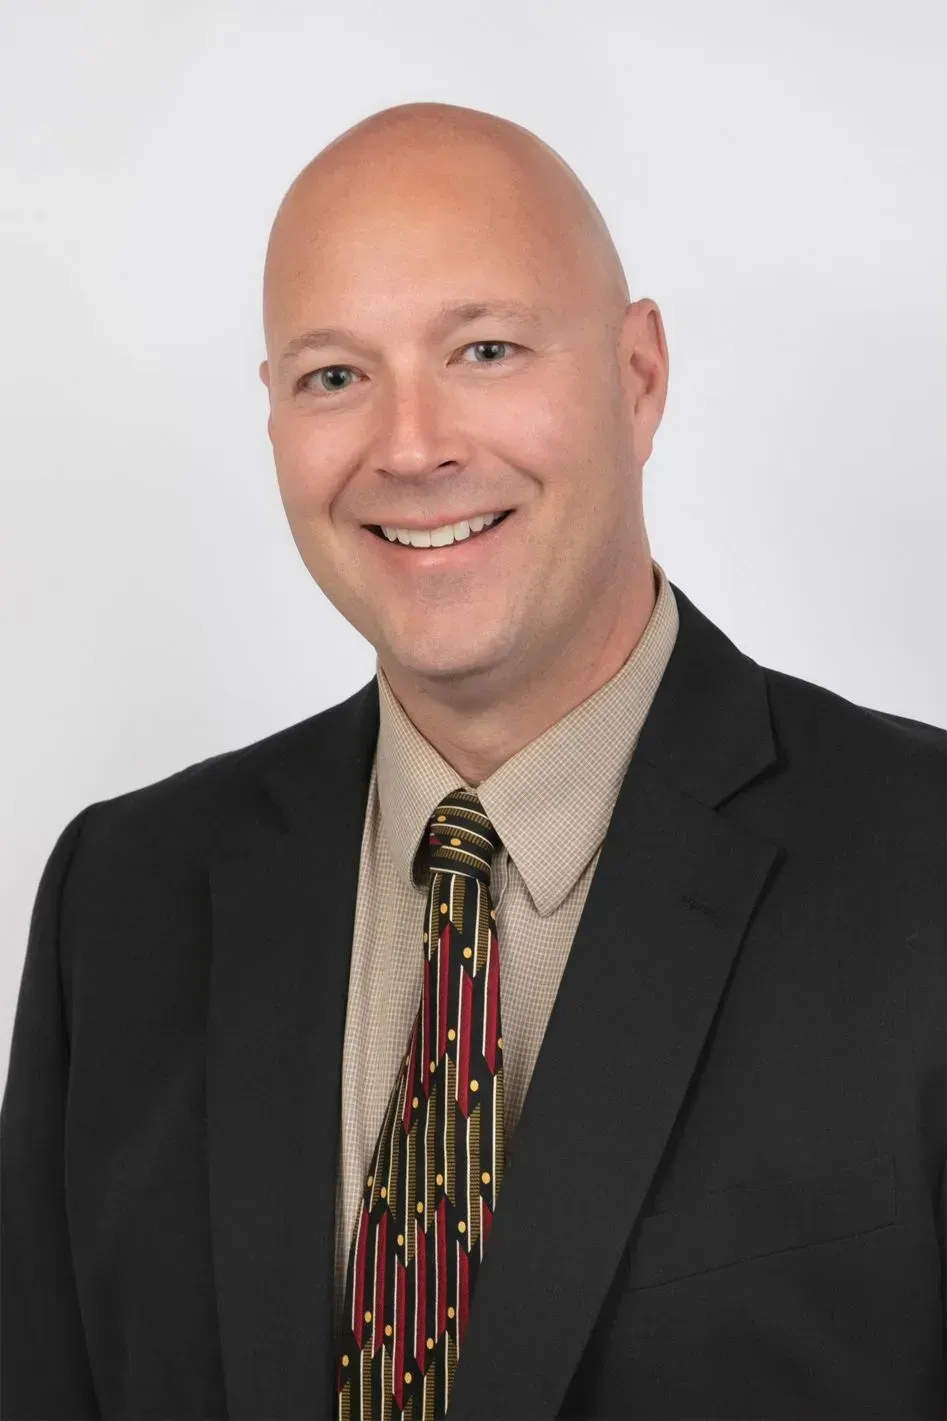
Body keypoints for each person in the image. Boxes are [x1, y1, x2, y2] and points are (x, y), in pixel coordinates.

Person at [1, 100, 943, 1421]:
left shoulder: (922, 864)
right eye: (335, 375)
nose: (410, 446)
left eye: (485, 349)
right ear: (272, 417)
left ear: (637, 376)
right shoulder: (124, 897)